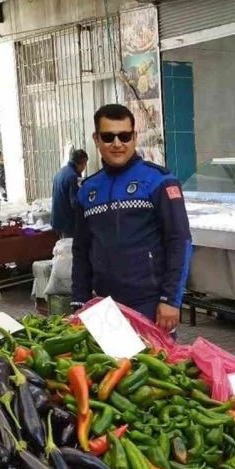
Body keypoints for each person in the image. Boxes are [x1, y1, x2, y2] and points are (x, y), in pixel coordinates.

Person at [70, 103, 191, 332]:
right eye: (108, 137)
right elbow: (81, 250)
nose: (117, 144)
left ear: (134, 137)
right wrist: (79, 300)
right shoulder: (87, 190)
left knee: (155, 367)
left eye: (124, 136)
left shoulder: (159, 181)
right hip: (103, 308)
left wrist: (171, 300)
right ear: (96, 139)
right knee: (109, 368)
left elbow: (180, 242)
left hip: (151, 305)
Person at [51, 149, 89, 237]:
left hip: (57, 220)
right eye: (85, 165)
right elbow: (75, 203)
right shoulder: (73, 177)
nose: (84, 168)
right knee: (69, 249)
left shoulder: (61, 171)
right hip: (67, 223)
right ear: (82, 163)